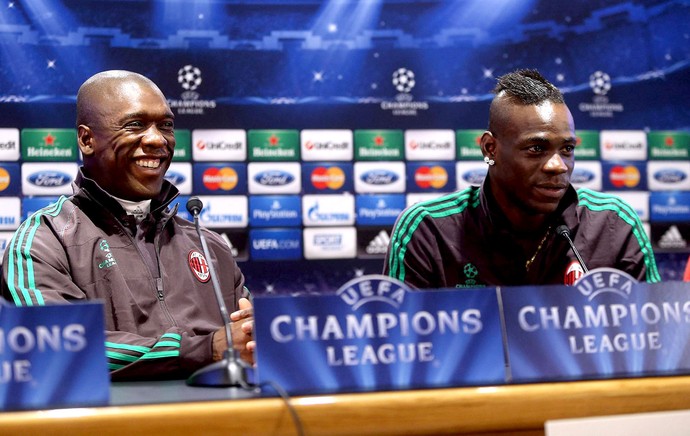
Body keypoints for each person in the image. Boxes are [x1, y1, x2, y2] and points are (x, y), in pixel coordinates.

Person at [1, 70, 254, 380]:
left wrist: (256, 333)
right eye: (135, 125)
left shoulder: (209, 244)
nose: (157, 139)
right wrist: (203, 349)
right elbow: (58, 344)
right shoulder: (43, 240)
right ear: (86, 139)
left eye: (166, 126)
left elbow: (251, 333)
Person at [385, 69, 660, 289]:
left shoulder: (614, 224)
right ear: (490, 149)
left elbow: (654, 342)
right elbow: (400, 349)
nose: (558, 166)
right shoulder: (428, 230)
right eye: (536, 149)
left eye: (567, 149)